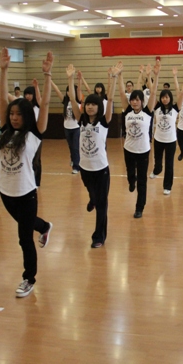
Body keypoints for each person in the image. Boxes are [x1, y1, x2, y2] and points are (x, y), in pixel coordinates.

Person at [0, 48, 53, 298]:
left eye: (19, 114)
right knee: (26, 225)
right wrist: (4, 71)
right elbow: (1, 102)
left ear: (27, 116)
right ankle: (45, 226)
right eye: (12, 114)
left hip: (26, 193)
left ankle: (29, 278)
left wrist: (48, 76)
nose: (14, 117)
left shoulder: (33, 134)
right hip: (5, 193)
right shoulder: (4, 131)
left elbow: (46, 103)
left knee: (24, 238)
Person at [68, 64, 120, 248]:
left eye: (93, 104)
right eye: (87, 104)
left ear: (99, 107)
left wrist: (114, 78)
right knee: (94, 196)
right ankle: (93, 199)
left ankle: (99, 237)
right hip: (85, 169)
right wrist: (71, 78)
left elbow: (110, 98)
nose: (90, 107)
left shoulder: (104, 122)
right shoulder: (81, 120)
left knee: (102, 204)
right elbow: (73, 100)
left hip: (101, 169)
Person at [119, 60, 159, 218]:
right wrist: (120, 75)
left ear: (142, 101)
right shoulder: (127, 111)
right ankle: (131, 181)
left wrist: (155, 75)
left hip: (143, 151)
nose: (134, 102)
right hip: (128, 149)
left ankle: (139, 208)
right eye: (133, 99)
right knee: (131, 174)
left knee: (142, 180)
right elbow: (122, 93)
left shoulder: (148, 112)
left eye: (137, 100)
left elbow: (153, 93)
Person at [150, 83, 178, 195]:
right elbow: (152, 92)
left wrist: (182, 78)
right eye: (162, 97)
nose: (164, 99)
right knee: (158, 162)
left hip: (171, 141)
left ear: (170, 98)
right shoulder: (157, 108)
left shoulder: (175, 109)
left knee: (169, 164)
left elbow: (180, 94)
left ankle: (167, 186)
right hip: (158, 140)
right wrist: (150, 76)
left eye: (166, 97)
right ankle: (157, 170)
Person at [52, 79, 82, 174]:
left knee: (75, 147)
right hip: (67, 128)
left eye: (71, 90)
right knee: (71, 147)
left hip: (76, 128)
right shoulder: (65, 101)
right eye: (68, 91)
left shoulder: (77, 101)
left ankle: (76, 166)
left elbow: (79, 90)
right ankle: (74, 160)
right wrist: (50, 81)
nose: (69, 93)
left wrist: (79, 80)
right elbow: (57, 90)